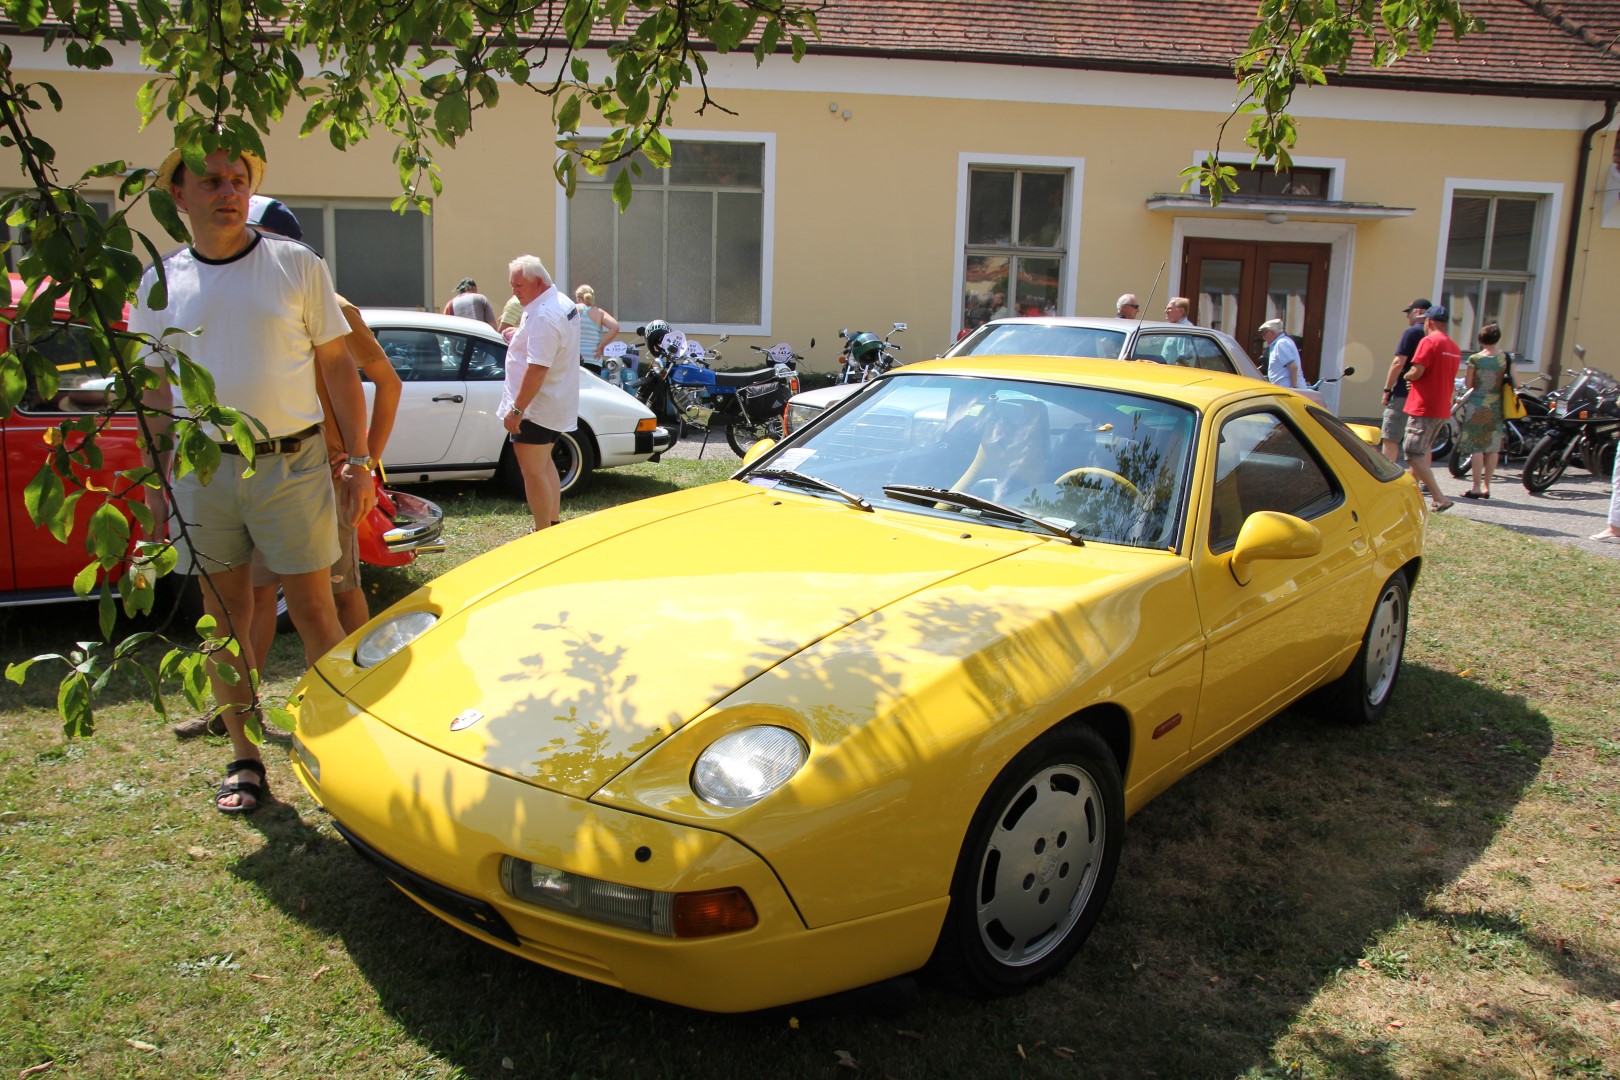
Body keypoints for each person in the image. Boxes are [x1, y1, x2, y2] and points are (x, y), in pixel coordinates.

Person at [133, 146, 376, 814]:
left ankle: (352, 750)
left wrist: (357, 460)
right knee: (225, 621)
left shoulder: (296, 265)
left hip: (292, 464)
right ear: (177, 195)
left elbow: (337, 370)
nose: (228, 192)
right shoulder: (159, 284)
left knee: (315, 611)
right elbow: (155, 387)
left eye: (239, 182)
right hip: (203, 468)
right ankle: (245, 759)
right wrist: (155, 481)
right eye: (211, 181)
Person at [500, 255, 581, 532]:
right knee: (543, 464)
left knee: (532, 471)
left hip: (536, 408)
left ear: (537, 282)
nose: (514, 292)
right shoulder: (560, 303)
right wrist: (519, 336)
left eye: (518, 285)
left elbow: (537, 369)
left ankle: (542, 530)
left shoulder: (544, 315)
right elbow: (547, 346)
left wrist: (517, 410)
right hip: (554, 403)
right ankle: (553, 523)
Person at [1401, 304, 1462, 513]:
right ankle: (1404, 497)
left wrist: (1407, 376)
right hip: (1441, 407)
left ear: (1429, 322)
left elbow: (1417, 372)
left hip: (1423, 405)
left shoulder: (1428, 341)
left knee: (1412, 453)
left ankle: (1439, 497)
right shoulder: (1453, 347)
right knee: (1419, 452)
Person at [1454, 322, 1508, 499]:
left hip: (1477, 403)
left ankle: (1475, 486)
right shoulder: (1505, 358)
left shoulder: (1475, 359)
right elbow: (1514, 381)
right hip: (1495, 404)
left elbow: (1469, 384)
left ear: (1481, 339)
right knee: (1492, 448)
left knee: (1476, 447)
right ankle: (1487, 486)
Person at [1380, 298, 1430, 461]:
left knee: (1391, 435)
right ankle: (1422, 479)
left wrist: (1387, 389)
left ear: (1419, 311)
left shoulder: (1412, 332)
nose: (1407, 317)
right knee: (1423, 441)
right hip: (1425, 393)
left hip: (1404, 392)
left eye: (1408, 312)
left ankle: (1388, 477)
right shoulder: (1435, 335)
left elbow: (1398, 362)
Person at [574, 284, 620, 368]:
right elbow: (615, 327)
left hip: (576, 357)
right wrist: (601, 346)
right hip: (594, 357)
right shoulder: (599, 313)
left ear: (578, 298)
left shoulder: (574, 308)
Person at [1258, 318, 1306, 388]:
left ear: (1271, 333)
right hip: (1285, 388)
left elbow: (1293, 367)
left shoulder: (1281, 343)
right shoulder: (1284, 341)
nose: (1263, 337)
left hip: (1287, 388)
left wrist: (1293, 388)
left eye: (1264, 333)